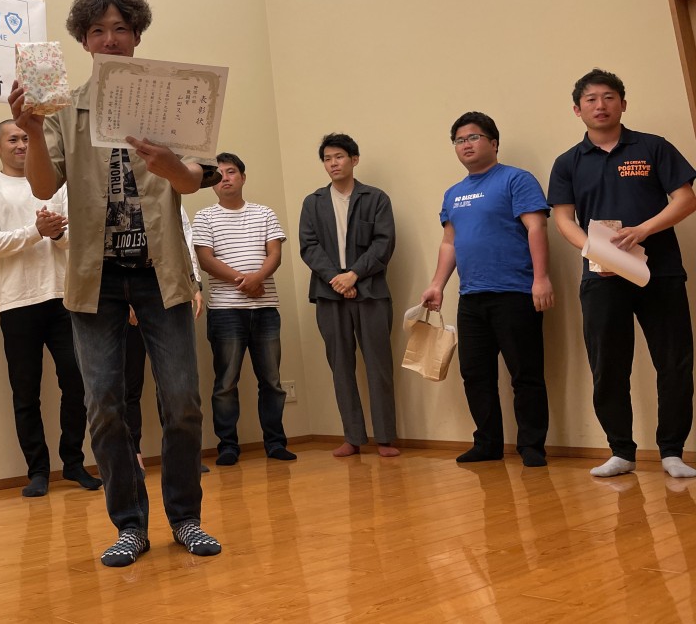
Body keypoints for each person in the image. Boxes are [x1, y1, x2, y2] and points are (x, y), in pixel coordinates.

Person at [8, 0, 222, 567]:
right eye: (98, 30)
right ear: (83, 41)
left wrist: (172, 164)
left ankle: (186, 518)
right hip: (95, 279)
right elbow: (43, 186)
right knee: (104, 405)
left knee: (182, 402)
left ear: (137, 36)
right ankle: (129, 525)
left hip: (162, 273)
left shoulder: (170, 97)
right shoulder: (62, 108)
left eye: (120, 28)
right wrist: (31, 129)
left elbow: (191, 181)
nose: (110, 39)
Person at [547, 69, 696, 478]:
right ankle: (621, 452)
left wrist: (642, 230)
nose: (601, 105)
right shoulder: (567, 162)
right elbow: (563, 219)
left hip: (660, 273)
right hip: (601, 278)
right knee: (608, 365)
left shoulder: (653, 147)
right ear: (577, 110)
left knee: (674, 362)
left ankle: (672, 452)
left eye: (609, 97)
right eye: (591, 99)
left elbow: (685, 199)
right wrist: (596, 251)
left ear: (623, 104)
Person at [0, 120, 102, 497]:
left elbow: (76, 240)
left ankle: (73, 463)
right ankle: (38, 471)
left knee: (77, 381)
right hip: (16, 303)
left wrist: (57, 233)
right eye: (13, 139)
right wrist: (36, 231)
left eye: (27, 138)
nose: (21, 144)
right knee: (25, 391)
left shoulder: (58, 188)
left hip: (63, 298)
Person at [421, 112, 554, 468]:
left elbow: (537, 228)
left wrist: (541, 278)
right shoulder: (453, 194)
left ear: (493, 143)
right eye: (459, 140)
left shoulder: (516, 179)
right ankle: (488, 443)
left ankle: (532, 446)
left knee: (525, 374)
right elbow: (449, 242)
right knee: (475, 374)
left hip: (515, 292)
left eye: (473, 137)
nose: (466, 144)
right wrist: (437, 284)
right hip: (471, 297)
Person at [298, 133, 399, 458]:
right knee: (340, 366)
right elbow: (308, 246)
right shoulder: (313, 202)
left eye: (339, 156)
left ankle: (385, 438)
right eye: (327, 158)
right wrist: (336, 279)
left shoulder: (376, 198)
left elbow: (384, 242)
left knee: (378, 365)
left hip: (370, 291)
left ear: (354, 160)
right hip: (329, 294)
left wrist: (354, 274)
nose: (333, 163)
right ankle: (352, 437)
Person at [192, 151, 296, 466]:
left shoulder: (265, 213)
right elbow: (205, 260)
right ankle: (228, 446)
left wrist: (258, 278)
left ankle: (275, 443)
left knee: (272, 381)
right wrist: (245, 281)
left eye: (231, 172)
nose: (225, 178)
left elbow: (274, 254)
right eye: (219, 174)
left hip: (265, 309)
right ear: (211, 182)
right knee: (225, 383)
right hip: (225, 311)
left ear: (243, 177)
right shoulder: (204, 217)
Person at [124, 208, 205, 472]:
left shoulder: (170, 194)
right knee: (130, 382)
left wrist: (195, 284)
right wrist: (125, 301)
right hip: (126, 298)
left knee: (175, 385)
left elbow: (185, 238)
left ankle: (181, 456)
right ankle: (133, 452)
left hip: (169, 293)